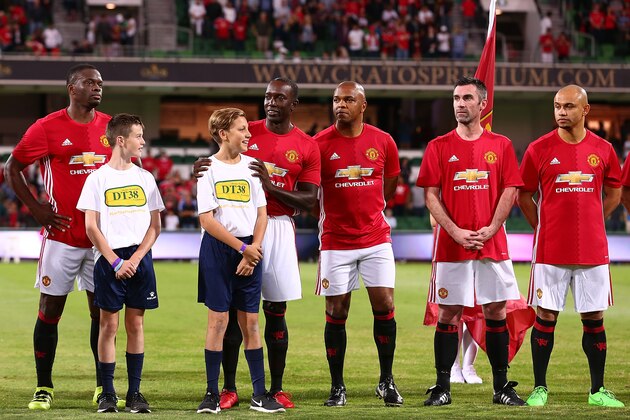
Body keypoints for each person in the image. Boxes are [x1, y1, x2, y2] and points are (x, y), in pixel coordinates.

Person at [193, 78, 321, 410]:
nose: (271, 101)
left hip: (275, 229)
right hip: (238, 233)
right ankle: (229, 388)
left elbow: (309, 200)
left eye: (279, 97)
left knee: (274, 312)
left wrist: (269, 185)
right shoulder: (245, 130)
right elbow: (217, 151)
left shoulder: (306, 145)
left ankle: (274, 389)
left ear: (293, 103)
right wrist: (200, 166)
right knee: (234, 313)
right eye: (267, 96)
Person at [3, 63, 121, 410]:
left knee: (102, 314)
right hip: (62, 236)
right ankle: (44, 386)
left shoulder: (111, 127)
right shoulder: (46, 127)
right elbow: (12, 166)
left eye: (100, 83)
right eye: (89, 82)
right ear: (72, 88)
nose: (97, 87)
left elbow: (131, 174)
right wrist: (36, 208)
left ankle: (104, 386)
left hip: (102, 240)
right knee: (50, 310)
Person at [416, 76, 525, 407]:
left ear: (482, 104)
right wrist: (454, 231)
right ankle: (442, 386)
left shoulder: (502, 145)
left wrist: (492, 228)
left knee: (495, 310)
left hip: (492, 244)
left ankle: (502, 387)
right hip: (452, 245)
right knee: (448, 312)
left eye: (466, 98)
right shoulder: (438, 146)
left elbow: (511, 189)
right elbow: (431, 195)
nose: (459, 104)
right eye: (455, 98)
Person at [517, 85, 625, 408]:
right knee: (545, 317)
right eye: (557, 106)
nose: (561, 112)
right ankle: (539, 388)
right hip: (550, 250)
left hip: (592, 250)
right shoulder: (538, 149)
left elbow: (615, 193)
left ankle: (597, 391)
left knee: (594, 319)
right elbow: (524, 196)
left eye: (568, 106)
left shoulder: (604, 150)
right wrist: (542, 227)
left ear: (585, 110)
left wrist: (595, 219)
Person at [314, 81, 403, 407]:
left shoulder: (383, 141)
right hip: (335, 242)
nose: (340, 104)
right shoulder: (319, 143)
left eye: (348, 99)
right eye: (336, 99)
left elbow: (390, 185)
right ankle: (337, 386)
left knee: (385, 305)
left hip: (376, 238)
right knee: (337, 310)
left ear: (363, 105)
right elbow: (312, 195)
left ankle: (386, 380)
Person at [195, 108, 285, 414]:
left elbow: (262, 213)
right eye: (242, 129)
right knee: (218, 321)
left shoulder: (253, 167)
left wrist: (254, 248)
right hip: (219, 250)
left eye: (248, 129)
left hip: (251, 248)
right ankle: (211, 393)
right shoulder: (207, 169)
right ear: (224, 134)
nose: (248, 134)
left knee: (251, 322)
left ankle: (260, 394)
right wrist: (242, 248)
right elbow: (206, 220)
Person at [76, 114, 164, 413]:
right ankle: (108, 394)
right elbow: (91, 227)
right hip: (109, 260)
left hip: (139, 260)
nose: (143, 142)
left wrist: (136, 258)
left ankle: (135, 393)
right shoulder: (97, 178)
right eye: (139, 136)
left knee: (136, 324)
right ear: (121, 140)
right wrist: (115, 261)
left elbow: (155, 226)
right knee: (108, 324)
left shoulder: (146, 178)